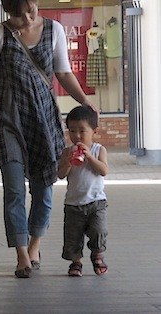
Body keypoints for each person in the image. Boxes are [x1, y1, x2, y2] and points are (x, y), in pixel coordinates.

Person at [0, 0, 97, 278]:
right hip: (7, 118)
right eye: (20, 15)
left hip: (44, 118)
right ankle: (21, 254)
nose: (28, 19)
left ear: (36, 2)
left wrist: (85, 102)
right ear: (7, 13)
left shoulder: (54, 30)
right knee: (15, 188)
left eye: (31, 10)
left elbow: (63, 73)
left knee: (44, 189)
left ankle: (35, 245)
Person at [58, 105, 109, 277]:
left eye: (82, 131)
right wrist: (68, 162)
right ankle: (76, 262)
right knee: (73, 236)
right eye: (72, 131)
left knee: (98, 230)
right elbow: (60, 174)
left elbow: (103, 170)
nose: (77, 136)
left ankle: (97, 255)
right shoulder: (67, 151)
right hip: (73, 203)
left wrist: (89, 157)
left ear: (94, 132)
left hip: (96, 201)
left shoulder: (98, 150)